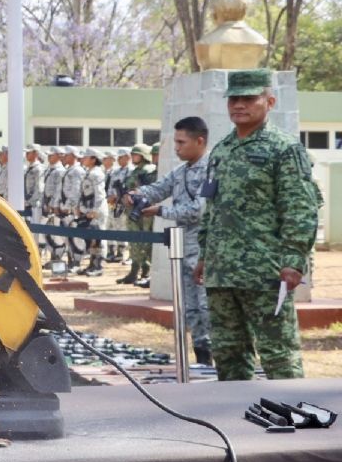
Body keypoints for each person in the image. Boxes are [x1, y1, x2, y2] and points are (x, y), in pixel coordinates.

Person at [194, 69, 321, 381]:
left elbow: (300, 207)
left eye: (249, 98)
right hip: (223, 272)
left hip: (266, 271)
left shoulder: (284, 148)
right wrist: (204, 256)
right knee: (228, 353)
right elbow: (212, 208)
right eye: (234, 98)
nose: (239, 104)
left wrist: (293, 260)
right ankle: (237, 419)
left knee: (279, 354)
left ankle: (294, 416)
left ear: (270, 101)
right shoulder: (222, 150)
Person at [126, 117, 211, 365]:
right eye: (175, 142)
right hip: (183, 249)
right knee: (190, 310)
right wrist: (136, 195)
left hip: (205, 252)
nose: (177, 147)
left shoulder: (212, 171)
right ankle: (202, 360)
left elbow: (199, 210)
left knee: (207, 310)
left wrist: (160, 212)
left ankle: (217, 364)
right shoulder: (180, 172)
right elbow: (158, 189)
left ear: (200, 141)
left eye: (181, 142)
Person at [116, 144, 156, 285]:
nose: (133, 157)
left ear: (144, 156)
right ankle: (135, 271)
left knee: (143, 242)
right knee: (134, 243)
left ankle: (144, 271)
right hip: (133, 211)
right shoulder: (137, 170)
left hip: (142, 212)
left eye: (136, 154)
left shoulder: (147, 171)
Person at [77, 148, 108, 277]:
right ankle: (92, 264)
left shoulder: (97, 173)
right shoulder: (89, 172)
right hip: (89, 209)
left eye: (86, 157)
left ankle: (98, 266)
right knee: (90, 238)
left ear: (93, 159)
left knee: (98, 238)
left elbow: (100, 194)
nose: (83, 159)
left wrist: (95, 211)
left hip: (97, 210)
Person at [59, 146, 86, 272]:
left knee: (75, 238)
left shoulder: (77, 171)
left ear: (73, 156)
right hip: (66, 209)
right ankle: (71, 261)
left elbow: (76, 192)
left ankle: (76, 262)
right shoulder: (69, 170)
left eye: (66, 155)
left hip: (72, 210)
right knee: (68, 238)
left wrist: (69, 207)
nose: (63, 157)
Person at [107, 147, 133, 263]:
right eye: (118, 158)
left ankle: (121, 252)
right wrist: (110, 197)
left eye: (121, 157)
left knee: (123, 227)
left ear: (128, 157)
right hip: (114, 204)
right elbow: (111, 187)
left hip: (125, 204)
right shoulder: (115, 172)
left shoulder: (132, 171)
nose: (119, 160)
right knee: (112, 226)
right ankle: (111, 251)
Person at [43, 146, 66, 265]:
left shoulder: (60, 171)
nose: (49, 157)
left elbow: (58, 190)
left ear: (59, 156)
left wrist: (53, 205)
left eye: (51, 155)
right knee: (48, 233)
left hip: (55, 207)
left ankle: (58, 257)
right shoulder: (49, 169)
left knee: (56, 233)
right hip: (48, 205)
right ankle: (53, 257)